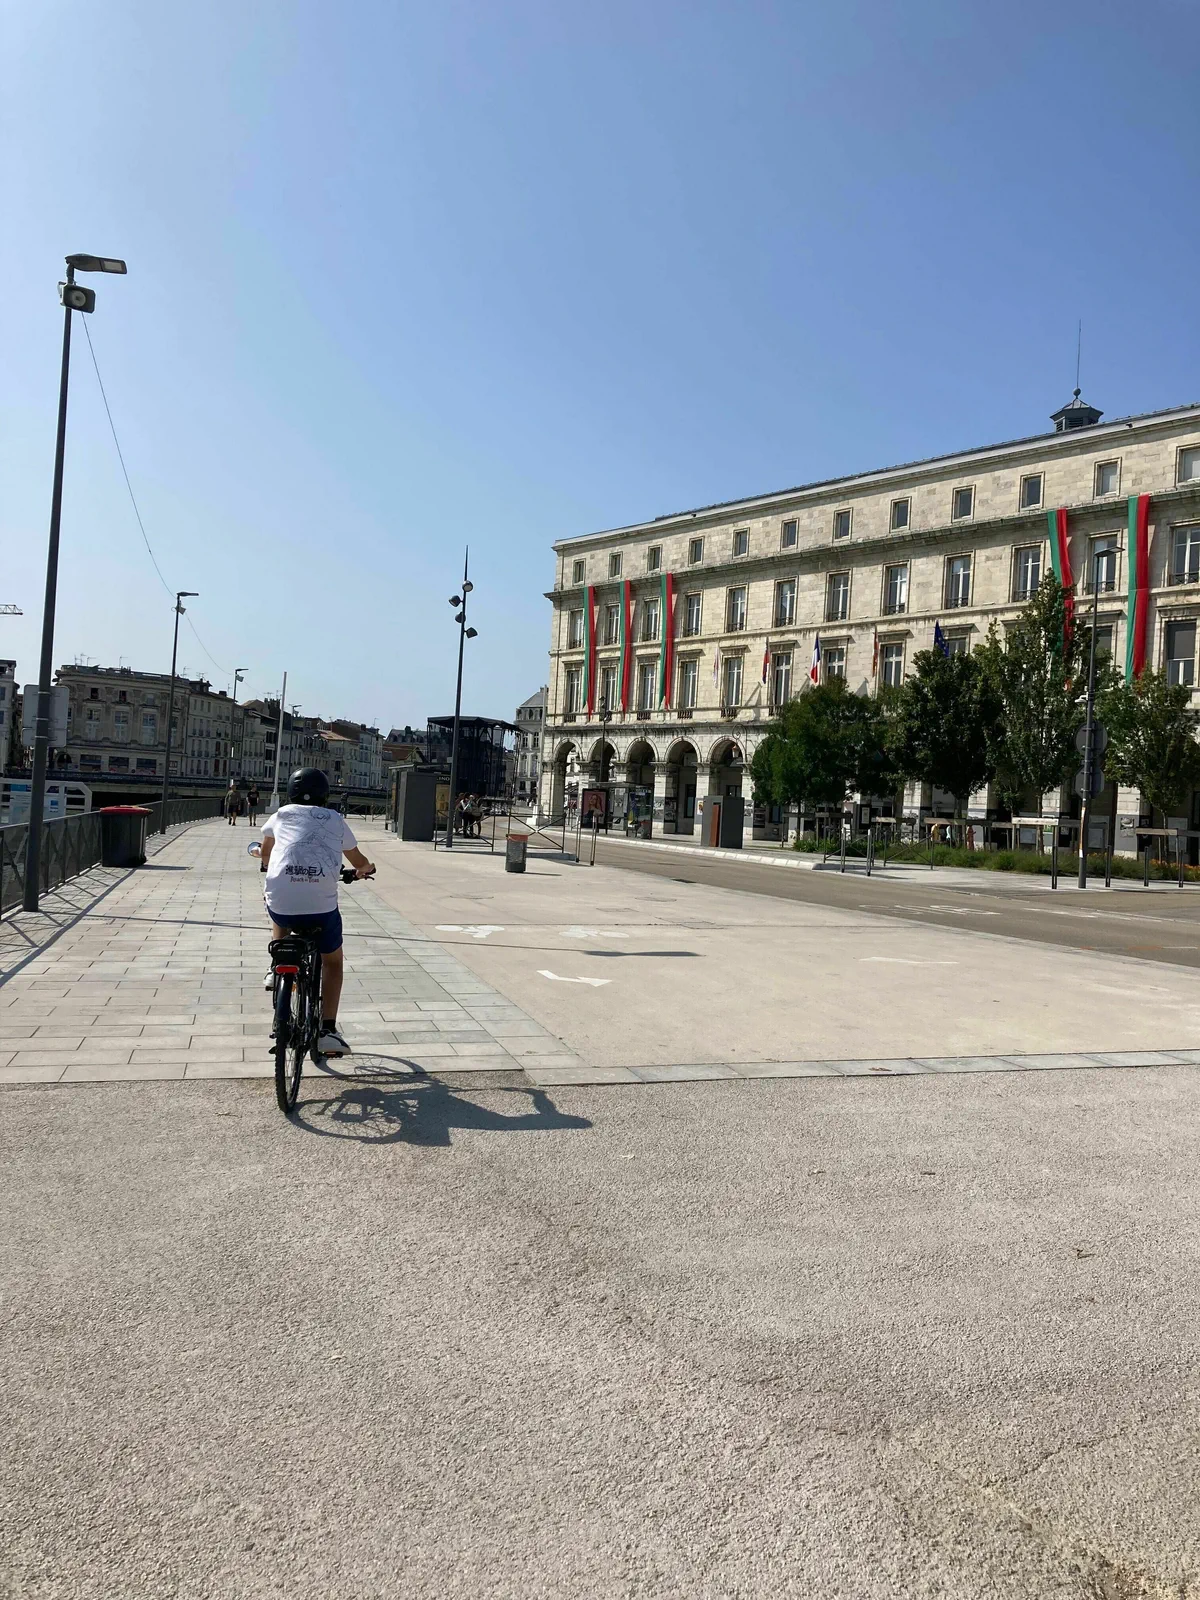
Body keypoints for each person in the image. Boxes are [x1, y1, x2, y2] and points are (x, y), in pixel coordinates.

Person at [258, 767, 374, 1057]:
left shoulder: (281, 814)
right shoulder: (334, 819)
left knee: (278, 905)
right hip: (321, 908)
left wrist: (269, 864)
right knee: (332, 962)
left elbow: (266, 852)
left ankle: (275, 966)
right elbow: (357, 859)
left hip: (282, 902)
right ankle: (327, 1031)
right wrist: (365, 869)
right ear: (325, 794)